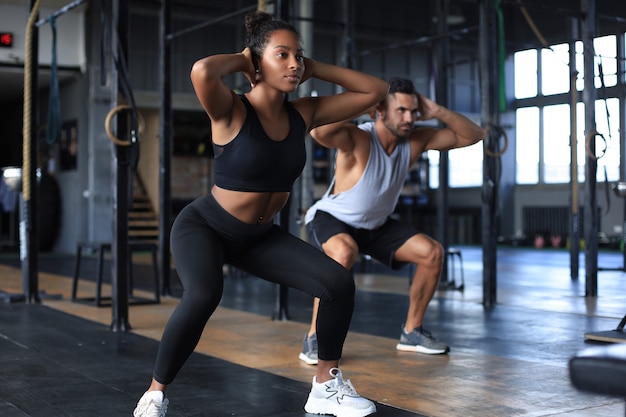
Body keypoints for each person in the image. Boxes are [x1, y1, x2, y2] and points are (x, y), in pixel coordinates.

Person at [132, 11, 388, 417]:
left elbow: (375, 90)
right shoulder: (231, 110)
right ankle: (155, 394)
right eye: (282, 55)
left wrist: (315, 67)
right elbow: (201, 71)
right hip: (206, 226)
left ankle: (325, 385)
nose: (293, 64)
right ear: (257, 61)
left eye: (298, 57)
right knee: (204, 294)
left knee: (337, 283)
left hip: (260, 237)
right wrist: (242, 60)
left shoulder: (302, 113)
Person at [298, 77, 486, 365]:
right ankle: (315, 337)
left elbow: (473, 135)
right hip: (333, 218)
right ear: (381, 111)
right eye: (401, 110)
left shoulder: (415, 141)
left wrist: (436, 111)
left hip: (375, 224)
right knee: (344, 251)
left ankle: (412, 331)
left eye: (413, 111)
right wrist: (362, 107)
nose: (409, 118)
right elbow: (319, 132)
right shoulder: (360, 138)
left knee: (431, 253)